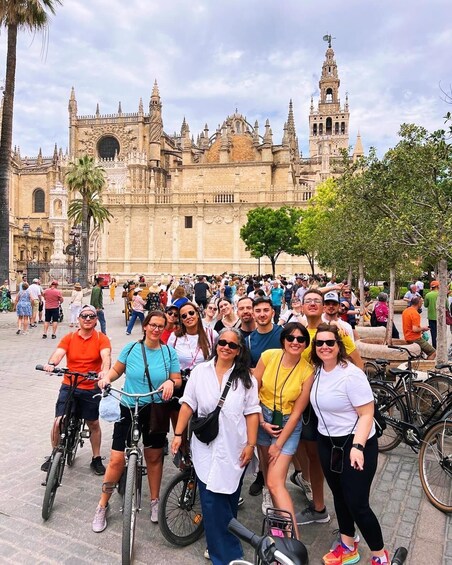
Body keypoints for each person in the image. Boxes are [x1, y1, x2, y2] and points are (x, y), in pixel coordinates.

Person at [171, 329, 260, 565]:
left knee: (230, 497)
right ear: (216, 344)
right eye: (223, 342)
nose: (226, 347)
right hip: (206, 447)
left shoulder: (247, 380)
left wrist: (251, 445)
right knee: (211, 501)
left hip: (235, 447)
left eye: (232, 345)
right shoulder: (200, 372)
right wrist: (178, 434)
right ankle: (226, 555)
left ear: (239, 351)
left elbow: (252, 413)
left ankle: (215, 542)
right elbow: (188, 404)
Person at [92, 310, 181, 532]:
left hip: (155, 409)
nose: (156, 329)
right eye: (153, 325)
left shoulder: (169, 352)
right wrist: (105, 379)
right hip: (129, 406)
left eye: (161, 326)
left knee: (153, 457)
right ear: (145, 326)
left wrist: (172, 383)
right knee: (115, 460)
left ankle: (154, 500)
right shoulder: (131, 348)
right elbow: (116, 371)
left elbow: (177, 379)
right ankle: (103, 504)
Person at [310, 323, 390, 565]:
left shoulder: (351, 374)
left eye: (330, 342)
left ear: (339, 346)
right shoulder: (317, 371)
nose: (325, 347)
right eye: (320, 343)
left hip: (355, 444)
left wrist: (357, 447)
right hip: (327, 442)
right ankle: (347, 545)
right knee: (339, 495)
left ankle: (379, 555)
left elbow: (367, 413)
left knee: (357, 503)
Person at [253, 322, 314, 537]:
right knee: (266, 464)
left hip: (288, 423)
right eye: (291, 338)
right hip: (261, 414)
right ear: (283, 340)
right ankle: (277, 519)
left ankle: (292, 538)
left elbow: (297, 412)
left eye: (300, 339)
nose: (295, 342)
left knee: (275, 480)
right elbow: (253, 389)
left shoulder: (308, 371)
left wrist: (278, 445)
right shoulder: (269, 356)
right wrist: (261, 421)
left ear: (306, 344)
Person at [41, 305, 112, 474]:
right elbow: (58, 353)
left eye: (91, 316)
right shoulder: (70, 337)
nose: (87, 319)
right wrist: (51, 364)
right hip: (70, 384)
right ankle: (54, 453)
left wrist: (104, 371)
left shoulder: (102, 338)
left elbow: (106, 357)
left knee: (93, 423)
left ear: (96, 320)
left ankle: (96, 458)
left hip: (90, 387)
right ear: (79, 319)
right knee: (59, 421)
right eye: (84, 316)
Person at [423, 281, 439, 349]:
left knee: (433, 333)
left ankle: (434, 346)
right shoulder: (441, 294)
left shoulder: (428, 295)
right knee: (440, 332)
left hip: (431, 317)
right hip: (440, 317)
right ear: (438, 286)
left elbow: (425, 305)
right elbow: (447, 305)